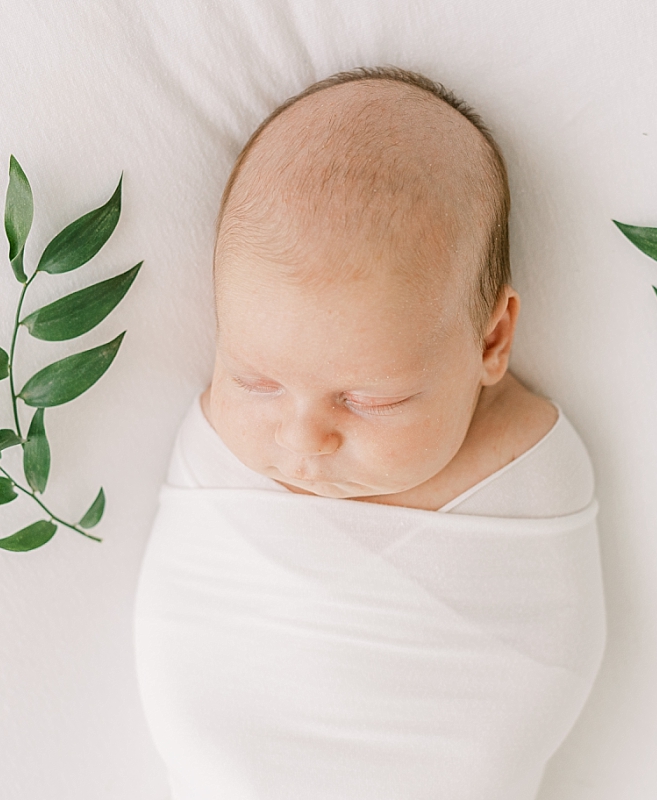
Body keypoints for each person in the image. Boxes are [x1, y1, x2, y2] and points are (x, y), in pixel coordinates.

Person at [134, 66, 605, 800]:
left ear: (492, 342)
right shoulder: (222, 447)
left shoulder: (524, 457)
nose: (304, 437)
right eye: (256, 380)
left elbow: (517, 695)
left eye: (367, 400)